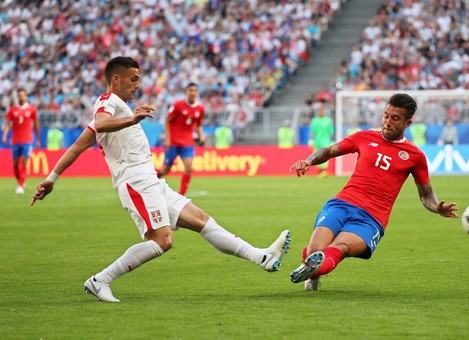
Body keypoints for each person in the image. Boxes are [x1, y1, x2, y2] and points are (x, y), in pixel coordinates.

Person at [31, 57, 291, 303]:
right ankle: (101, 280)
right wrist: (132, 117)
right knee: (163, 241)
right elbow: (101, 122)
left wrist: (51, 178)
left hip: (151, 182)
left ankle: (261, 257)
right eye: (133, 79)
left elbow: (76, 147)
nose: (137, 84)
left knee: (202, 220)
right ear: (116, 79)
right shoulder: (107, 100)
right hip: (137, 183)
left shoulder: (118, 111)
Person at [288, 93, 458, 291]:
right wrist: (308, 161)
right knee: (315, 250)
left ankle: (312, 269)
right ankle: (313, 272)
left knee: (340, 248)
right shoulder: (364, 137)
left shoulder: (415, 156)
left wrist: (437, 208)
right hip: (341, 204)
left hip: (371, 218)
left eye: (395, 118)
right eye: (386, 115)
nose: (387, 122)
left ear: (407, 123)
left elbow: (426, 196)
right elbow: (328, 151)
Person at [156, 83, 205, 196]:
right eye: (190, 90)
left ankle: (182, 195)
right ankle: (147, 182)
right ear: (186, 92)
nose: (193, 93)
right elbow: (167, 121)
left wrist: (201, 135)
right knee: (165, 170)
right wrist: (167, 139)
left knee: (188, 167)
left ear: (197, 93)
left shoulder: (200, 109)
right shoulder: (178, 105)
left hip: (187, 143)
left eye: (195, 90)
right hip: (173, 142)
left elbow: (198, 125)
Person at [1, 88, 41, 194]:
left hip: (27, 140)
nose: (21, 97)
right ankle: (21, 182)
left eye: (23, 95)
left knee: (24, 163)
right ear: (17, 97)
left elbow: (36, 124)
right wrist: (5, 135)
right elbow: (8, 124)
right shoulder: (12, 110)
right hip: (15, 141)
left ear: (26, 96)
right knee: (15, 165)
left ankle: (20, 185)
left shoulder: (32, 109)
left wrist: (38, 139)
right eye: (19, 95)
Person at [309, 105, 334, 178]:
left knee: (324, 156)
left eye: (322, 110)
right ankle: (321, 172)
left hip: (326, 141)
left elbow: (331, 131)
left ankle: (324, 171)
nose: (321, 112)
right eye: (319, 110)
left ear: (324, 111)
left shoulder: (328, 120)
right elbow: (312, 131)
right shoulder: (314, 120)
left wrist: (332, 140)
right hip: (317, 141)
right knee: (316, 156)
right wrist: (310, 139)